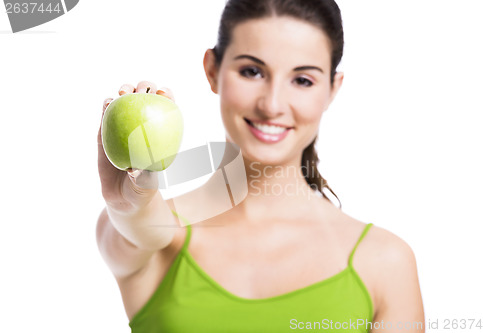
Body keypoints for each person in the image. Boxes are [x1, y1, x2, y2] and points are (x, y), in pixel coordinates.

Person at [96, 0, 425, 331]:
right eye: (252, 72)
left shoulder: (385, 263)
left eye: (303, 80)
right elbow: (136, 227)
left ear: (332, 89)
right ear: (212, 70)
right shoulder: (161, 239)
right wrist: (126, 202)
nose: (272, 104)